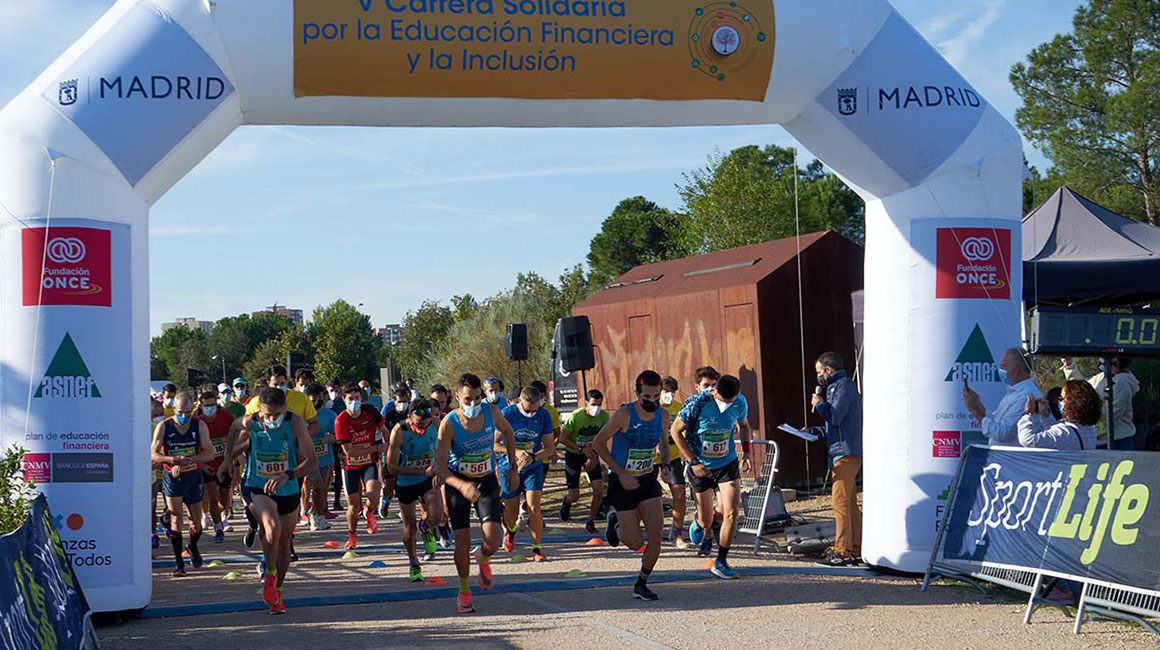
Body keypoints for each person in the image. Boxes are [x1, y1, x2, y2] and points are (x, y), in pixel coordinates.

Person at [435, 373, 520, 614]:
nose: (472, 405)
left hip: (484, 480)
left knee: (493, 539)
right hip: (457, 483)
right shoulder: (448, 423)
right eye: (467, 400)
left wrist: (512, 466)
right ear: (458, 397)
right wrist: (462, 486)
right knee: (462, 543)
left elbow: (509, 433)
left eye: (476, 399)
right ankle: (464, 589)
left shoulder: (491, 413)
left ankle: (483, 558)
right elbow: (440, 466)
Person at [229, 387, 317, 614]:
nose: (271, 420)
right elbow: (233, 427)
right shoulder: (251, 421)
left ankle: (278, 590)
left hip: (287, 486)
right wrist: (227, 460)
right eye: (267, 415)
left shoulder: (295, 422)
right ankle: (269, 572)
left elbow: (311, 461)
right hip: (257, 485)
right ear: (260, 410)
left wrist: (287, 475)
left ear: (284, 409)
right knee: (272, 528)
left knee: (285, 543)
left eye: (276, 415)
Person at [595, 370, 670, 602]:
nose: (652, 402)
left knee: (656, 533)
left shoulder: (663, 416)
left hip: (647, 479)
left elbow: (664, 444)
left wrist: (665, 466)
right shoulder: (624, 414)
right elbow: (598, 442)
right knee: (636, 542)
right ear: (637, 393)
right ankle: (615, 523)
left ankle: (642, 583)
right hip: (622, 481)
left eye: (656, 397)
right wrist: (619, 472)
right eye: (647, 397)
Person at [672, 374, 752, 579]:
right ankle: (699, 522)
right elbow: (675, 431)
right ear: (715, 391)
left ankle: (721, 561)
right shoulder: (697, 404)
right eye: (722, 401)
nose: (725, 405)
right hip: (701, 466)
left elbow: (744, 425)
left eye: (730, 402)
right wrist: (692, 461)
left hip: (727, 463)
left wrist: (747, 452)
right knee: (707, 521)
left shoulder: (740, 402)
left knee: (733, 511)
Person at [151, 392, 215, 576]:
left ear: (193, 409)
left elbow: (210, 452)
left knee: (196, 522)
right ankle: (179, 562)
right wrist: (172, 460)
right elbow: (153, 454)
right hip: (172, 478)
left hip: (193, 476)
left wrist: (190, 460)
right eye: (180, 412)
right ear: (174, 410)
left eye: (188, 412)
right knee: (175, 517)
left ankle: (192, 546)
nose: (184, 417)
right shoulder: (163, 426)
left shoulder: (199, 424)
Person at [810, 352, 864, 567]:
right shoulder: (839, 387)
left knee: (840, 503)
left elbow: (834, 416)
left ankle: (842, 551)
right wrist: (813, 430)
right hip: (843, 451)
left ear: (828, 370)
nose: (818, 378)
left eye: (818, 372)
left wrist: (819, 403)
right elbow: (836, 426)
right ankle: (856, 548)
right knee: (849, 504)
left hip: (846, 454)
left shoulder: (842, 386)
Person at [387, 399, 444, 580]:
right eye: (419, 423)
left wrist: (440, 471)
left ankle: (425, 527)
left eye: (426, 422)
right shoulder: (399, 431)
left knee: (437, 516)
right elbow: (391, 467)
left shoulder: (436, 423)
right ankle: (413, 561)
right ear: (410, 417)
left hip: (428, 478)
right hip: (406, 481)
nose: (423, 426)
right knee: (409, 526)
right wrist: (421, 470)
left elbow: (445, 450)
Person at [498, 386, 556, 561]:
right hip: (509, 467)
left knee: (533, 507)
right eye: (527, 410)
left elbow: (549, 448)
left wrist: (533, 457)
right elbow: (494, 444)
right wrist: (515, 452)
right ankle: (511, 530)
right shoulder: (507, 414)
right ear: (519, 402)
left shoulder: (544, 415)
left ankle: (537, 548)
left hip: (533, 467)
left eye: (535, 409)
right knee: (512, 511)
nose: (531, 413)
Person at [335, 383, 388, 549]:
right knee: (353, 505)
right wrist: (375, 447)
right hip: (350, 466)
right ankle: (352, 534)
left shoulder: (370, 412)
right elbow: (349, 452)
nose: (354, 402)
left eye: (357, 398)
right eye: (350, 399)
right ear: (344, 400)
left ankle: (370, 511)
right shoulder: (341, 420)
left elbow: (385, 430)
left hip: (369, 463)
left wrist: (387, 447)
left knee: (373, 494)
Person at [960, 348, 1041, 445]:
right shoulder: (1014, 392)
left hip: (1010, 459)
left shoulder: (1026, 395)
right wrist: (978, 405)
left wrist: (976, 411)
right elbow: (998, 421)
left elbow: (1002, 433)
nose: (1000, 371)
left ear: (1017, 369)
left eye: (1003, 367)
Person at [1062, 357, 1140, 450]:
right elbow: (1081, 390)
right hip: (1099, 441)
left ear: (1116, 362)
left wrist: (1084, 414)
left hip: (1117, 442)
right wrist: (1069, 366)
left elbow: (1111, 412)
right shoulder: (1102, 376)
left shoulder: (1122, 383)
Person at [559, 389, 609, 535]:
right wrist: (581, 449)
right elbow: (563, 439)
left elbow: (602, 440)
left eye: (599, 405)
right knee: (575, 495)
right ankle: (567, 502)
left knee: (599, 489)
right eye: (593, 404)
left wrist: (593, 456)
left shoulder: (604, 417)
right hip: (574, 454)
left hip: (592, 454)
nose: (597, 408)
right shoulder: (575, 417)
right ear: (586, 403)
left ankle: (591, 521)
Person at [197, 390, 235, 543]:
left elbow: (235, 434)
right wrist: (202, 464)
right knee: (212, 498)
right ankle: (218, 528)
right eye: (206, 406)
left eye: (212, 405)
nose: (210, 408)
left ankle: (218, 515)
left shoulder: (226, 416)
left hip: (225, 464)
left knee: (222, 503)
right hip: (209, 467)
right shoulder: (198, 422)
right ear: (201, 406)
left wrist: (234, 461)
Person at [1018, 380, 1100, 450]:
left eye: (1061, 398)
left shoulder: (1065, 433)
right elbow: (1054, 438)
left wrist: (1028, 413)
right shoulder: (1088, 429)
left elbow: (1027, 439)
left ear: (1071, 402)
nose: (1059, 402)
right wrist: (1046, 415)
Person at [659, 376, 689, 548]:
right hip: (650, 458)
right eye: (666, 391)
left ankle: (677, 534)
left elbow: (684, 434)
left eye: (672, 391)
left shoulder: (680, 409)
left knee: (679, 495)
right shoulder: (652, 407)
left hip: (672, 456)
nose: (669, 394)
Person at [304, 383, 337, 531]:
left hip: (325, 457)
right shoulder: (302, 414)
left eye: (319, 396)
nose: (316, 399)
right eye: (313, 397)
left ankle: (318, 514)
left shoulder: (330, 415)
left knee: (322, 488)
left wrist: (333, 438)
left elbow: (338, 437)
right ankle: (311, 515)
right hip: (306, 458)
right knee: (315, 485)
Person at [149, 399, 166, 550]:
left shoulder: (158, 429)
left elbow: (162, 457)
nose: (158, 417)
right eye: (156, 414)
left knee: (151, 510)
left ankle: (153, 534)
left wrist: (151, 466)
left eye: (161, 414)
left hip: (150, 479)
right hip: (131, 480)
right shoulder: (129, 427)